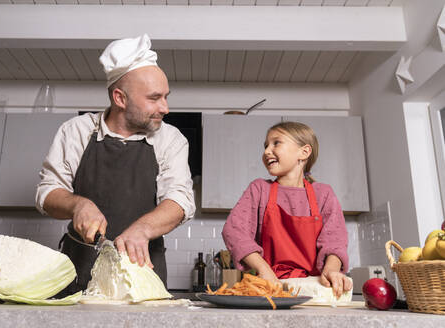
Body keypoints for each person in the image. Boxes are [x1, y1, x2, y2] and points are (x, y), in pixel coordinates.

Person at [35, 34, 195, 293]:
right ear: (120, 98)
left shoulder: (170, 139)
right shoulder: (76, 131)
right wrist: (78, 205)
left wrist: (142, 230)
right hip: (78, 274)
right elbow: (47, 193)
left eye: (166, 96)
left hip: (143, 275)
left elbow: (180, 201)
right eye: (154, 98)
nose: (165, 107)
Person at [222, 121, 352, 297]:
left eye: (276, 143)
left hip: (312, 290)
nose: (267, 151)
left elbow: (335, 241)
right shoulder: (260, 189)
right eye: (266, 145)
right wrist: (264, 270)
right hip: (269, 288)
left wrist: (332, 270)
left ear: (304, 152)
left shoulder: (323, 193)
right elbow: (234, 231)